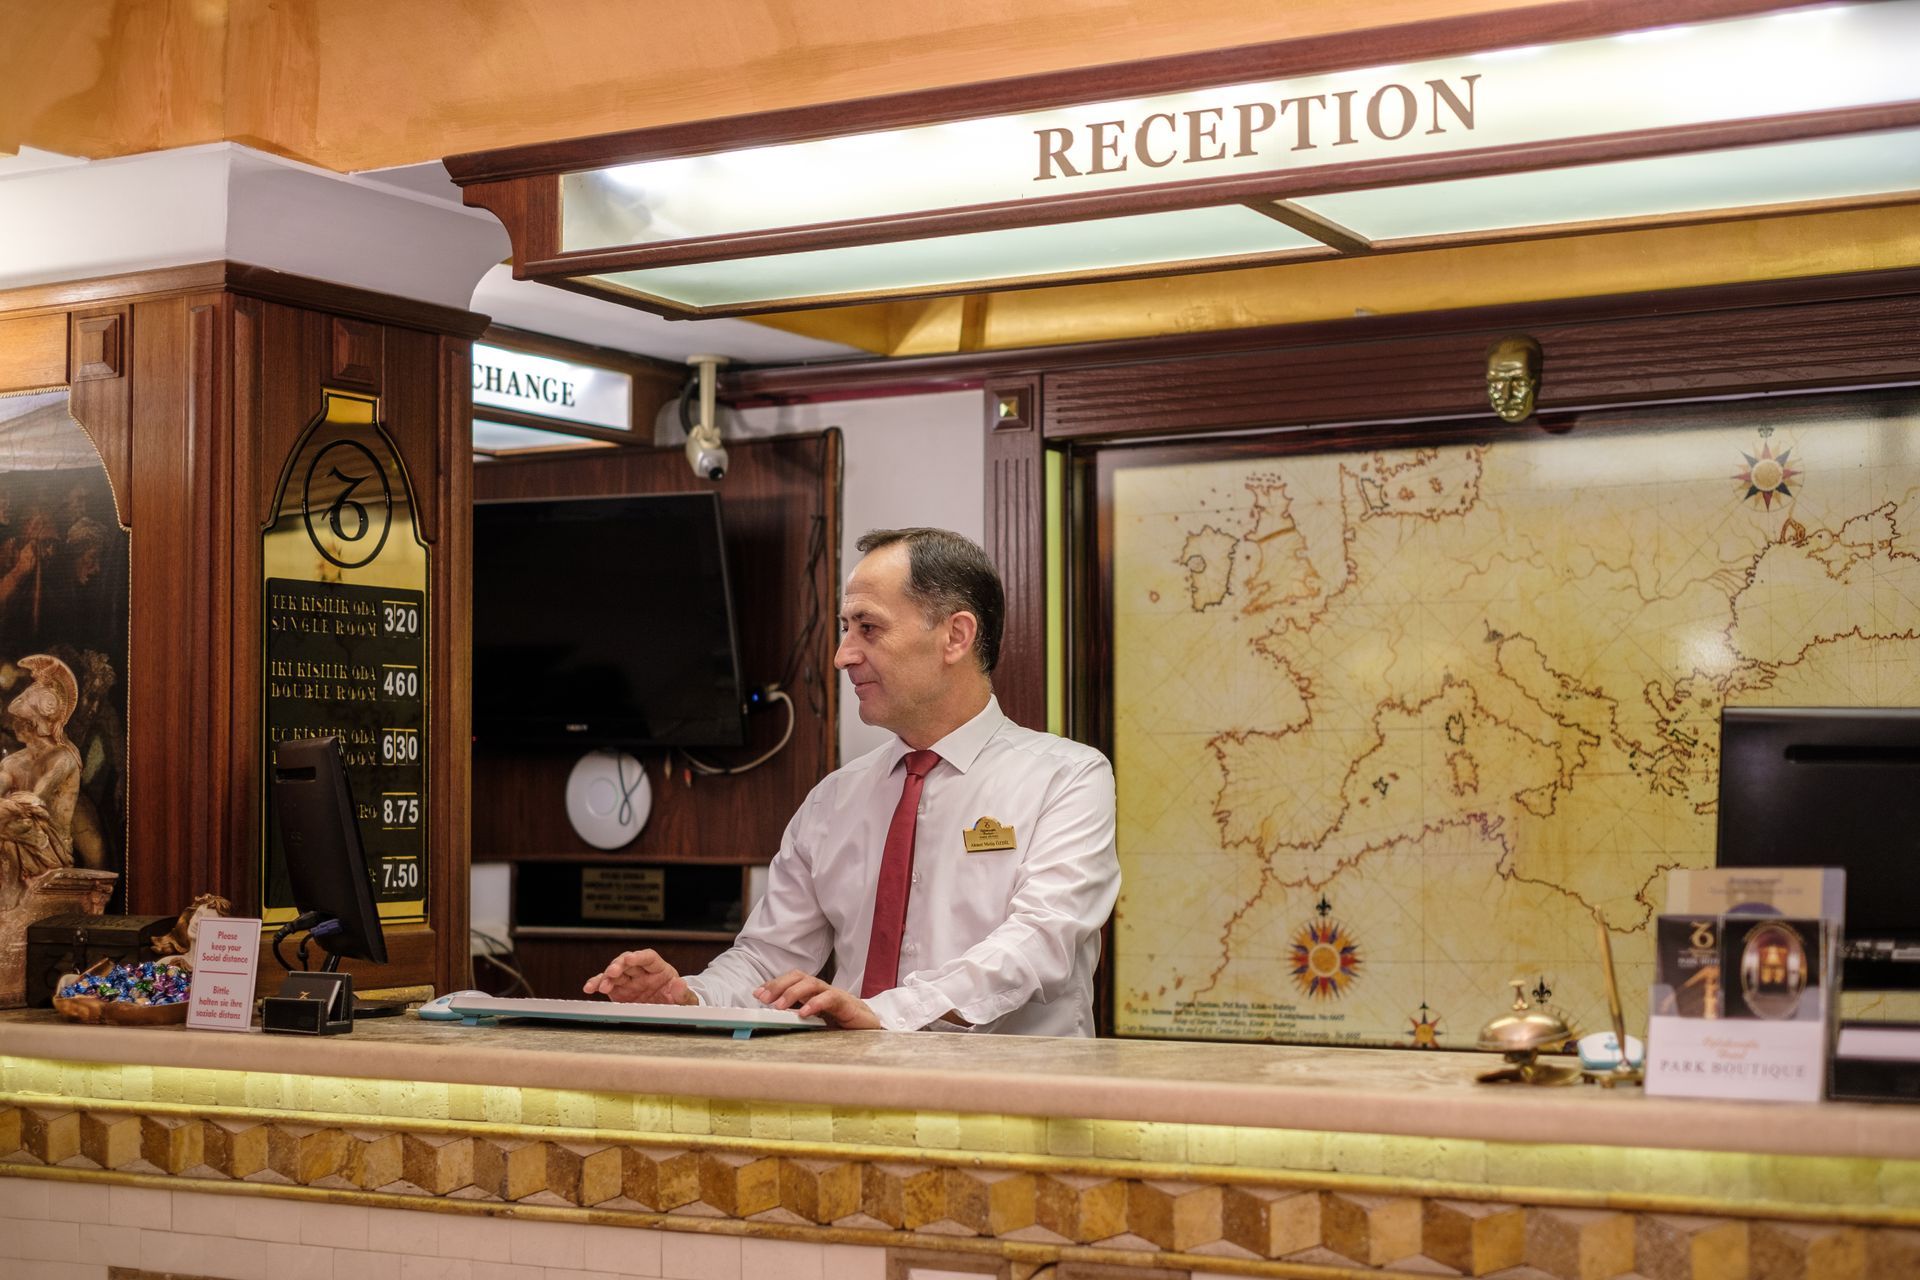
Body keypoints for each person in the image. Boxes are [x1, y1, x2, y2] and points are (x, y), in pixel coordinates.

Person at [583, 527, 1119, 1034]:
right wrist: (689, 998)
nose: (843, 656)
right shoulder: (833, 799)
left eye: (869, 627)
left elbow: (1040, 942)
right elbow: (767, 960)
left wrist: (884, 1013)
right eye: (845, 629)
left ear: (955, 636)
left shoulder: (1066, 778)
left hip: (1009, 1092)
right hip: (851, 1088)